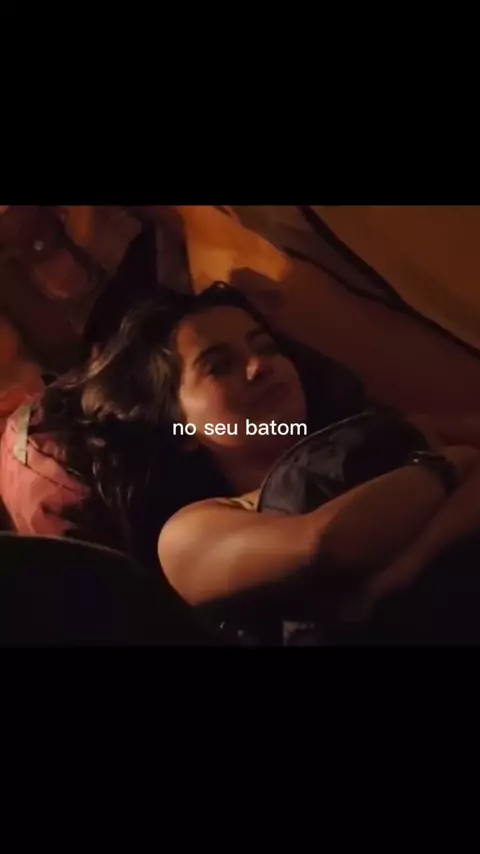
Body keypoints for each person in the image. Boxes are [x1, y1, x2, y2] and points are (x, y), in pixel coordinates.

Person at [2, 283, 480, 642]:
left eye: (264, 346)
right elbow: (325, 541)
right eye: (219, 365)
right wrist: (446, 466)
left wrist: (407, 562)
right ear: (181, 428)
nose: (260, 366)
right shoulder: (191, 531)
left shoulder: (369, 429)